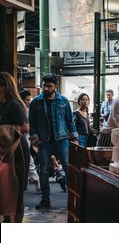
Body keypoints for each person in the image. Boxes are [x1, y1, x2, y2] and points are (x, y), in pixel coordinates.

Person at [29, 73, 78, 210]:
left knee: (68, 168)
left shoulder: (63, 101)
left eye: (49, 86)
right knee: (43, 171)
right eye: (44, 86)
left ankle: (73, 199)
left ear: (55, 86)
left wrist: (74, 138)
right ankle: (45, 199)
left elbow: (70, 120)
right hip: (44, 142)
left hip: (61, 140)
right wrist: (35, 138)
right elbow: (31, 122)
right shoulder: (35, 102)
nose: (46, 88)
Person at [0, 72, 29, 223]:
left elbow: (25, 127)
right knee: (6, 191)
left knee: (15, 192)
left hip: (16, 151)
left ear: (3, 87)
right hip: (6, 151)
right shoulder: (3, 104)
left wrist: (3, 130)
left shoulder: (13, 104)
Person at [19, 89, 40, 193]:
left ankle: (36, 181)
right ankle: (36, 181)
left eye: (29, 100)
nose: (28, 102)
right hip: (23, 137)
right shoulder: (22, 109)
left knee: (28, 159)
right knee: (28, 159)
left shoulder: (25, 109)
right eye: (27, 100)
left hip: (25, 137)